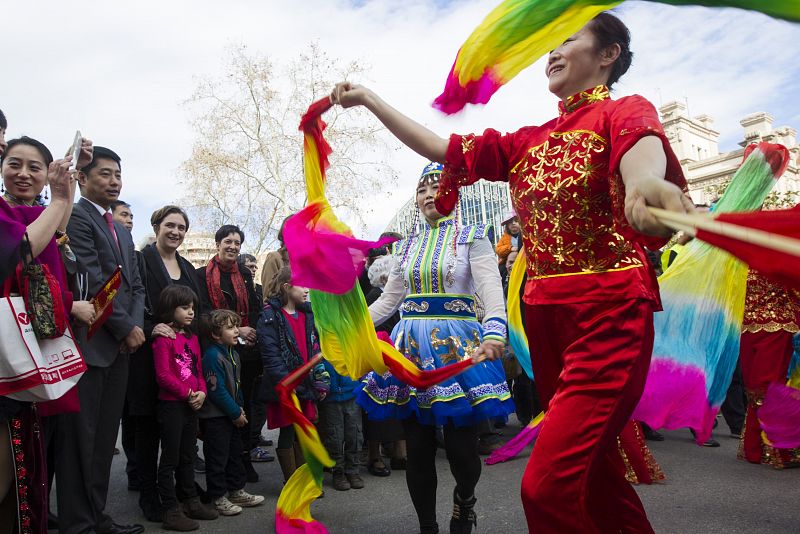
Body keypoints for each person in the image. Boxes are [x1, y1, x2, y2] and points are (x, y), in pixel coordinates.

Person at [331, 11, 691, 533]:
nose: (550, 52)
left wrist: (643, 190)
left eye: (566, 39)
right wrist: (369, 99)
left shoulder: (624, 111)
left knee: (546, 486)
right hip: (547, 323)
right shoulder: (525, 141)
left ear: (608, 54)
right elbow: (441, 148)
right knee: (596, 473)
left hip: (608, 316)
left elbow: (642, 156)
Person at [354, 163, 513, 534]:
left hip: (458, 350)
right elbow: (389, 301)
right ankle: (427, 526)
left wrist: (494, 331)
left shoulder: (473, 235)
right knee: (418, 449)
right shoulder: (406, 246)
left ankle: (465, 501)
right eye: (422, 189)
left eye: (436, 187)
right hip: (410, 350)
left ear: (453, 195)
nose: (428, 194)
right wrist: (351, 327)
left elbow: (491, 289)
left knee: (461, 449)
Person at [0, 129, 91, 534]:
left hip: (37, 349)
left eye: (34, 167)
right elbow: (21, 250)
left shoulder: (40, 212)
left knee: (31, 468)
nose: (23, 174)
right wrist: (57, 198)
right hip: (8, 352)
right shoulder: (6, 213)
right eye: (13, 164)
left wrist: (70, 180)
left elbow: (54, 232)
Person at [61, 146, 146, 534]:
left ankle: (97, 517)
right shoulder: (77, 218)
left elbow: (135, 285)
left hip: (120, 347)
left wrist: (135, 327)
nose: (113, 182)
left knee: (102, 442)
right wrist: (126, 327)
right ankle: (78, 523)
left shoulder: (121, 229)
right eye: (105, 174)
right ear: (82, 178)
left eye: (117, 175)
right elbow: (95, 281)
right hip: (92, 346)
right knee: (82, 443)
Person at [130, 205, 203, 522]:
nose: (176, 232)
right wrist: (149, 328)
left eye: (182, 227)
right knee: (147, 432)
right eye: (170, 225)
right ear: (156, 226)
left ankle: (183, 493)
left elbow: (196, 310)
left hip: (183, 362)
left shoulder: (186, 266)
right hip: (149, 357)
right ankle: (150, 496)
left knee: (181, 440)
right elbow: (128, 301)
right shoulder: (140, 260)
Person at [195, 225, 264, 481]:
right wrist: (232, 329)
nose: (233, 246)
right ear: (218, 244)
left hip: (245, 352)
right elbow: (202, 312)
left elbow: (255, 307)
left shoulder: (245, 274)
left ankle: (242, 460)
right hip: (216, 349)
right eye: (228, 241)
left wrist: (249, 330)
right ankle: (220, 467)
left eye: (237, 242)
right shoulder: (201, 275)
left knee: (244, 404)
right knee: (221, 409)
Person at [152, 285, 217, 530]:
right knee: (170, 458)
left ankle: (190, 500)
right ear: (170, 309)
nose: (191, 312)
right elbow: (163, 376)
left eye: (192, 308)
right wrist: (188, 394)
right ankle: (170, 508)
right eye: (184, 307)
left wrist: (202, 391)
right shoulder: (163, 338)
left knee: (188, 454)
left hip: (191, 404)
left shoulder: (191, 337)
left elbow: (198, 369)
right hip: (172, 406)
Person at [257, 266, 330, 483]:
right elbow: (272, 357)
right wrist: (290, 386)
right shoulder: (270, 316)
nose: (308, 290)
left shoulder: (307, 314)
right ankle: (293, 482)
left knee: (304, 431)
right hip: (286, 387)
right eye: (303, 285)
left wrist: (320, 380)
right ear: (287, 287)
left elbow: (315, 349)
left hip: (305, 384)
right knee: (288, 432)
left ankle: (306, 479)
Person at [199, 310, 265, 516]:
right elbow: (217, 390)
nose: (237, 331)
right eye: (230, 328)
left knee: (236, 453)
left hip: (233, 414)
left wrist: (240, 408)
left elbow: (237, 387)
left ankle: (236, 490)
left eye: (236, 326)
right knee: (218, 457)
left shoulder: (234, 353)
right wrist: (236, 412)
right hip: (217, 417)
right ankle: (218, 496)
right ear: (215, 335)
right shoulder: (212, 356)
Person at [738, 269, 800, 468]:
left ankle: (761, 448)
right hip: (763, 327)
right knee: (762, 387)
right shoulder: (765, 258)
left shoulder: (747, 261)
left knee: (763, 386)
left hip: (763, 328)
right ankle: (769, 449)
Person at [319, 357, 364, 491]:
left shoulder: (350, 339)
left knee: (354, 434)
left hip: (352, 392)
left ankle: (353, 470)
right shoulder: (321, 340)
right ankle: (338, 472)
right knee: (335, 437)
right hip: (330, 395)